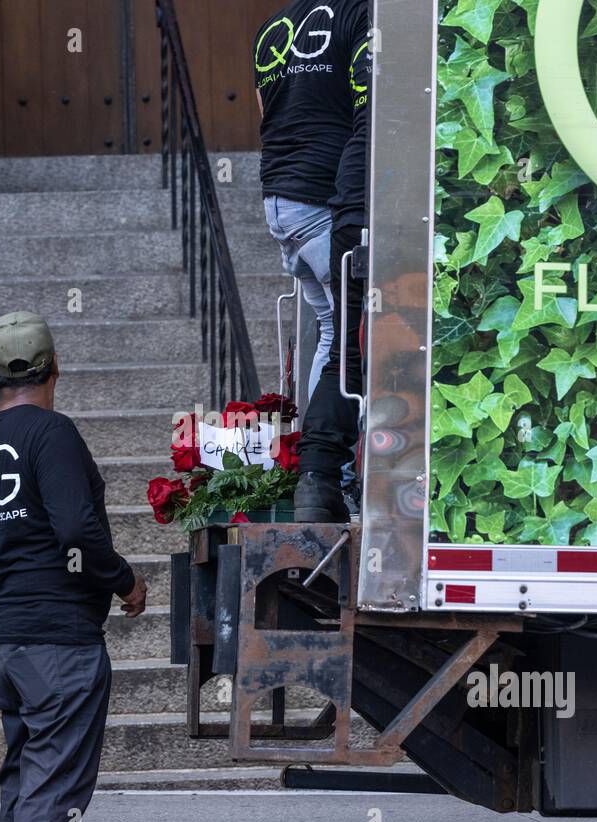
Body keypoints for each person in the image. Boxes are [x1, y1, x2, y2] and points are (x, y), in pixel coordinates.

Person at [0, 312, 146, 822]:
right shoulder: (52, 433)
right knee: (54, 781)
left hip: (6, 642)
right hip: (59, 642)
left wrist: (12, 590)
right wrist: (127, 582)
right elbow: (77, 531)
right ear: (56, 365)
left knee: (28, 772)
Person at [255, 0, 368, 496]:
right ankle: (330, 472)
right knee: (352, 341)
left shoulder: (271, 29)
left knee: (330, 335)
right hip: (325, 199)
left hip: (279, 198)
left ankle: (313, 469)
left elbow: (268, 114)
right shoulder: (356, 13)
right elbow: (371, 99)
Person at [292, 0, 372, 522]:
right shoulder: (364, 18)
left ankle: (319, 477)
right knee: (360, 348)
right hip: (365, 203)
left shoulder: (278, 26)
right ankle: (347, 479)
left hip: (339, 200)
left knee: (344, 348)